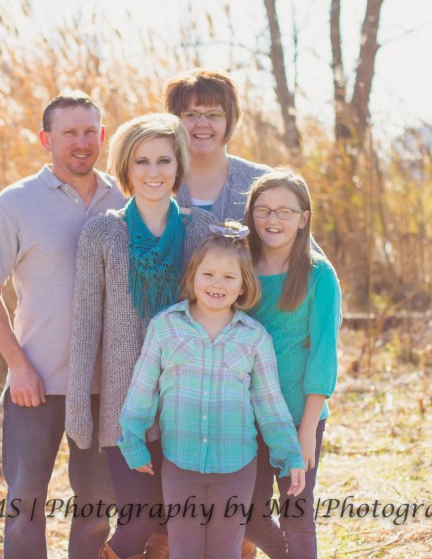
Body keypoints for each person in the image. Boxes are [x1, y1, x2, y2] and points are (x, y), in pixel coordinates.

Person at [0, 90, 120, 559]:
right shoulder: (15, 203)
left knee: (98, 504)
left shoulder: (125, 197)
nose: (81, 142)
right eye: (68, 132)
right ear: (46, 139)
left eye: (89, 132)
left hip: (103, 386)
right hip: (35, 383)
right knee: (25, 502)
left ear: (103, 136)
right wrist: (17, 365)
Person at [65, 113, 216, 559]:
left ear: (179, 165)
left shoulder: (199, 231)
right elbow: (86, 325)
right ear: (126, 168)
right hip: (124, 405)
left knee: (178, 524)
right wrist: (78, 405)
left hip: (186, 403)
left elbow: (219, 314)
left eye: (164, 160)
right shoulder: (102, 232)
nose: (154, 172)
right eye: (142, 161)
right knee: (138, 518)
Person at [118, 223, 306, 559]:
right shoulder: (165, 327)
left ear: (243, 286)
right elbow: (142, 389)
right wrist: (132, 440)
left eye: (229, 277)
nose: (217, 284)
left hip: (237, 466)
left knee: (226, 550)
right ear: (192, 277)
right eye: (208, 274)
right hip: (180, 463)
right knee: (184, 549)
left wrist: (290, 455)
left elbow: (270, 405)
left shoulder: (254, 337)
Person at [242, 169, 342, 558]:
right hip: (248, 415)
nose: (273, 219)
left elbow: (323, 352)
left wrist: (307, 430)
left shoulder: (319, 274)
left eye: (285, 211)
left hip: (300, 413)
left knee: (296, 514)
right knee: (249, 515)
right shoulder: (241, 266)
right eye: (263, 210)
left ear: (304, 218)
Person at [164, 68, 269, 221]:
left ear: (231, 120)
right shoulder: (154, 179)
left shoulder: (261, 181)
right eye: (191, 114)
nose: (202, 123)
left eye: (213, 114)